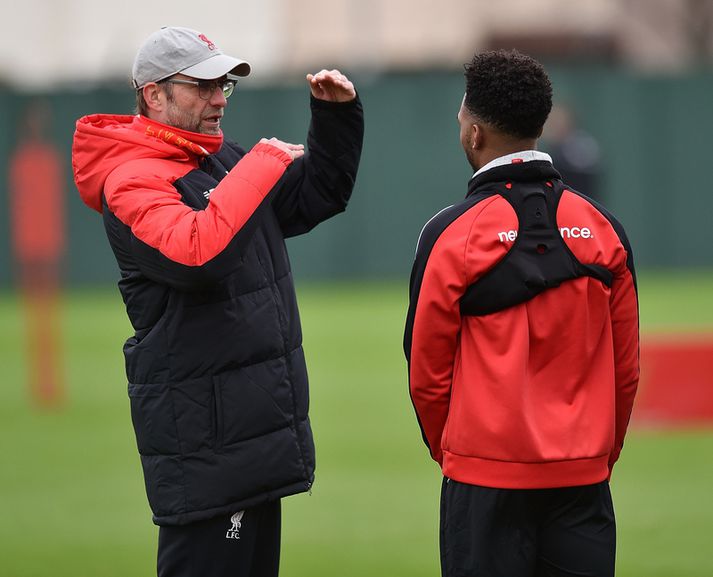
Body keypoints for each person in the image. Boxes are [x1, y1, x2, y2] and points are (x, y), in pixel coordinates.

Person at [72, 26, 363, 577]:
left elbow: (317, 194)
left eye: (223, 85)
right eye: (202, 86)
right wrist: (260, 164)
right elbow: (196, 255)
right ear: (153, 95)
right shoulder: (130, 180)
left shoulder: (216, 159)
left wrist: (335, 118)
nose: (219, 99)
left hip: (250, 438)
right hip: (206, 450)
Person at [404, 49, 638, 577]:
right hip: (582, 481)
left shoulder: (449, 233)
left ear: (475, 134)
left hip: (483, 482)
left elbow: (426, 372)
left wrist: (460, 456)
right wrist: (596, 455)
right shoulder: (604, 228)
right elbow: (626, 370)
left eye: (461, 119)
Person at [9, 99, 66, 408]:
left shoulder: (49, 160)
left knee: (48, 317)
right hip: (30, 245)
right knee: (35, 315)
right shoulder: (23, 163)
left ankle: (49, 383)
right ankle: (41, 382)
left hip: (47, 244)